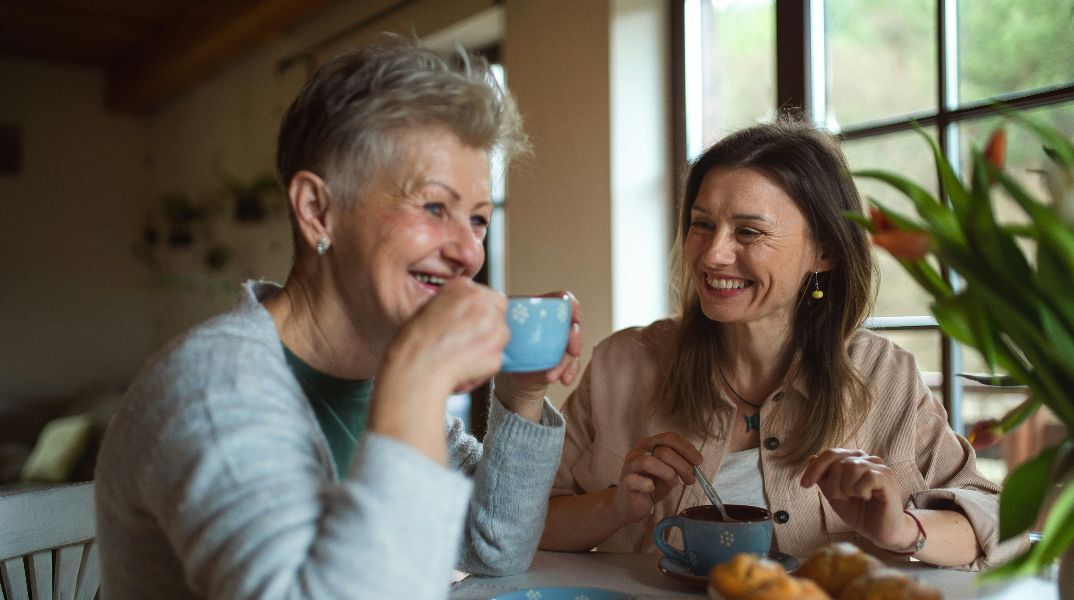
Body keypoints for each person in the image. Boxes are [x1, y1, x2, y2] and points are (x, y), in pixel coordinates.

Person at [96, 38, 581, 599]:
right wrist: (418, 381)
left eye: (476, 218)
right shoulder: (215, 391)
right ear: (317, 210)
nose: (469, 253)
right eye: (432, 207)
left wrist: (520, 393)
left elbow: (492, 547)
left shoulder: (367, 381)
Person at [540, 118, 1019, 570]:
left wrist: (902, 530)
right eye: (702, 223)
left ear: (824, 251)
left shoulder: (883, 373)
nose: (713, 254)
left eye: (748, 232)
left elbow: (995, 521)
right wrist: (616, 505)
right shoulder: (622, 364)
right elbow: (527, 523)